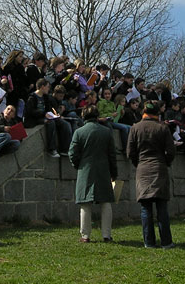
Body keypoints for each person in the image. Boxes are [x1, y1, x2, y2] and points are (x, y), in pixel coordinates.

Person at [127, 100, 176, 249]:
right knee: (162, 207)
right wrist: (165, 162)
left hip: (143, 168)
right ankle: (166, 242)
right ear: (157, 113)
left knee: (145, 207)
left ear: (144, 112)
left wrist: (139, 164)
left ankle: (149, 242)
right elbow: (171, 151)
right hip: (159, 167)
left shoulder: (135, 128)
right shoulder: (163, 128)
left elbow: (130, 152)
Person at [68, 105, 118, 243]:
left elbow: (72, 153)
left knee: (85, 203)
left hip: (85, 169)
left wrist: (78, 165)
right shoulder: (107, 132)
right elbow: (112, 155)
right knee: (106, 201)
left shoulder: (79, 132)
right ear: (97, 116)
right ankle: (106, 235)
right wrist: (114, 172)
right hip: (103, 169)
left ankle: (85, 235)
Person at [25, 79, 71, 157]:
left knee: (64, 123)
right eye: (47, 87)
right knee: (51, 123)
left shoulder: (46, 97)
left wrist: (55, 114)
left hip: (46, 116)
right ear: (42, 87)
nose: (48, 89)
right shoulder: (32, 97)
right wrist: (44, 114)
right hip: (35, 119)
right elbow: (30, 111)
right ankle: (51, 149)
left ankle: (65, 149)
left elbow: (49, 109)